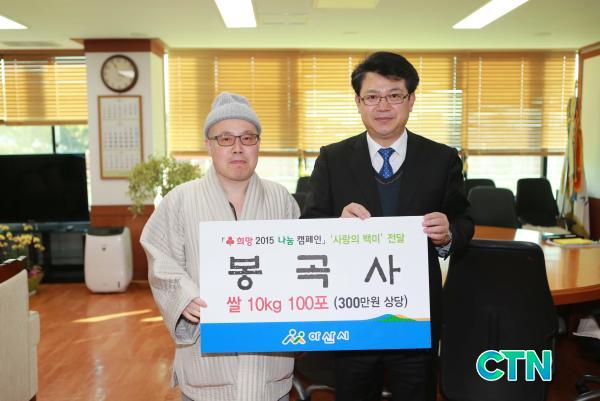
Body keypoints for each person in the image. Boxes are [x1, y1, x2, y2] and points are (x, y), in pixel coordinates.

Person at [302, 51, 474, 401]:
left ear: (411, 100)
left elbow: (464, 221)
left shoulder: (441, 159)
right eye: (372, 96)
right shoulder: (333, 158)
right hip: (352, 312)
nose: (383, 106)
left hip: (416, 314)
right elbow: (310, 226)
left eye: (394, 95)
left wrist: (448, 234)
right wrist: (336, 227)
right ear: (358, 102)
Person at [141, 92, 300, 401]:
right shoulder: (181, 200)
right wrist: (184, 296)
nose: (238, 147)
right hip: (206, 369)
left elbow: (299, 266)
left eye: (248, 138)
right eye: (225, 138)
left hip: (270, 367)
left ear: (258, 144)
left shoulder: (280, 199)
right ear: (209, 145)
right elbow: (160, 258)